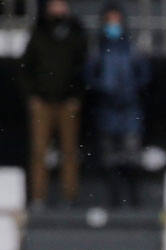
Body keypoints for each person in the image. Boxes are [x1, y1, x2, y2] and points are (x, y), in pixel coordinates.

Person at [19, 0, 88, 208]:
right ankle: (39, 197)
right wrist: (32, 95)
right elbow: (26, 67)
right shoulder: (39, 31)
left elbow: (83, 67)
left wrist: (77, 97)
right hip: (42, 102)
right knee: (39, 151)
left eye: (61, 4)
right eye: (54, 4)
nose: (58, 9)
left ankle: (69, 197)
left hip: (68, 102)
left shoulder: (75, 32)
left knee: (69, 151)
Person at [85, 2, 151, 208]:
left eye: (116, 21)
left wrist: (130, 91)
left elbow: (145, 75)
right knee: (110, 157)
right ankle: (114, 198)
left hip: (130, 110)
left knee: (132, 154)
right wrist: (103, 90)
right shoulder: (98, 50)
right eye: (109, 21)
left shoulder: (132, 49)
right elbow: (89, 76)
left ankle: (134, 198)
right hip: (107, 110)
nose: (113, 25)